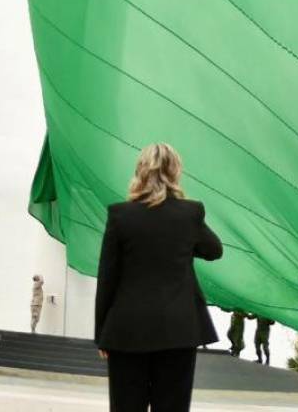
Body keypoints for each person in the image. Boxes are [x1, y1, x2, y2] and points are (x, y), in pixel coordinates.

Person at [94, 143, 224, 412]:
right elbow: (214, 250)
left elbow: (108, 277)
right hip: (178, 329)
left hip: (126, 330)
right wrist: (183, 241)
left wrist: (101, 335)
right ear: (175, 171)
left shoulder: (120, 215)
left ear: (140, 171)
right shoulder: (190, 213)